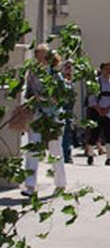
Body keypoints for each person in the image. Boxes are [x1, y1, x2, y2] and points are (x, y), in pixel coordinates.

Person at [22, 45, 67, 195]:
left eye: (42, 56)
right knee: (33, 148)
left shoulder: (56, 75)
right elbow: (28, 92)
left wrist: (47, 98)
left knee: (55, 149)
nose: (40, 59)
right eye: (37, 56)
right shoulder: (32, 73)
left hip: (53, 116)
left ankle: (60, 184)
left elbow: (60, 97)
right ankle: (30, 186)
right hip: (37, 114)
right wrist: (29, 100)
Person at [85, 62, 110, 166]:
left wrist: (109, 109)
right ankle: (90, 154)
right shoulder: (95, 82)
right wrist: (99, 109)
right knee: (94, 134)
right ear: (102, 70)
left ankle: (109, 158)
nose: (109, 71)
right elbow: (92, 98)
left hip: (108, 112)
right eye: (106, 69)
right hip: (96, 111)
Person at [59, 60, 76, 164]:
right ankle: (63, 155)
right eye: (67, 68)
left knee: (68, 134)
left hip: (69, 110)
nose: (69, 70)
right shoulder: (61, 81)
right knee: (62, 134)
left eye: (70, 68)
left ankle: (67, 154)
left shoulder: (71, 82)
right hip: (62, 109)